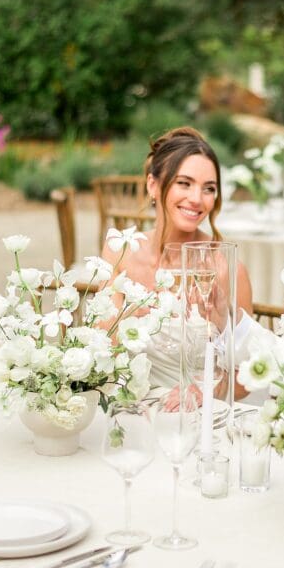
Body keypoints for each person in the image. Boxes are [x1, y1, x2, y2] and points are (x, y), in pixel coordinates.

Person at [101, 126, 253, 392]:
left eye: (209, 189)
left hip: (200, 419)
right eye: (184, 183)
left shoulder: (227, 267)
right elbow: (102, 348)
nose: (196, 199)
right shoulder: (120, 252)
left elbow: (248, 375)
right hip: (131, 407)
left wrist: (205, 390)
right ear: (153, 185)